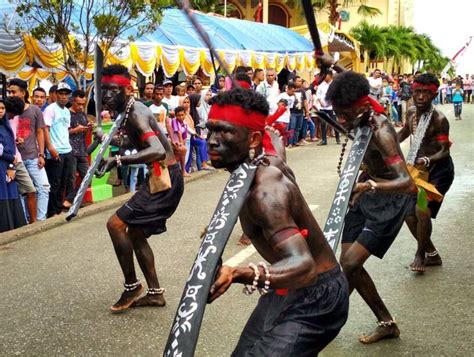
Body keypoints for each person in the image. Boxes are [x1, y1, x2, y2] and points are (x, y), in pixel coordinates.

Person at [207, 87, 349, 356]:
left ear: (253, 139)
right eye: (210, 130)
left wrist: (238, 272)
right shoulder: (259, 162)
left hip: (317, 297)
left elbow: (304, 265)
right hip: (287, 288)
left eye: (224, 131)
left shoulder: (266, 193)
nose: (212, 141)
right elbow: (277, 151)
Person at [320, 54, 417, 344]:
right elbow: (350, 81)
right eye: (337, 113)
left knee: (348, 264)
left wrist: (371, 185)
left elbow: (407, 183)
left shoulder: (382, 132)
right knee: (348, 262)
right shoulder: (361, 102)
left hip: (388, 199)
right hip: (365, 192)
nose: (340, 120)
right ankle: (337, 314)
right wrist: (329, 62)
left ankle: (380, 321)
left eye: (345, 115)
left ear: (362, 108)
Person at [96, 64, 184, 312]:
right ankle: (155, 294)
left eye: (114, 90)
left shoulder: (135, 112)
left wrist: (117, 160)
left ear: (128, 89)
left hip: (166, 179)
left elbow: (155, 150)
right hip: (160, 177)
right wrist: (107, 140)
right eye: (104, 90)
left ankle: (132, 286)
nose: (107, 96)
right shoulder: (127, 112)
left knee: (115, 224)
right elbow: (132, 141)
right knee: (133, 231)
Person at [398, 73, 454, 272]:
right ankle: (431, 254)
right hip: (418, 171)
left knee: (421, 210)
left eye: (426, 93)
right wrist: (387, 144)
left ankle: (419, 254)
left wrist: (428, 159)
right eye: (417, 92)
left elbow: (444, 150)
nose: (421, 97)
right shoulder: (411, 112)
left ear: (434, 95)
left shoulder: (439, 119)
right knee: (408, 215)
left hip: (439, 172)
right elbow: (405, 132)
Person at [7, 78, 49, 222]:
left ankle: (40, 220)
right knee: (21, 193)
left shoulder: (34, 110)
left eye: (13, 91)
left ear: (23, 93)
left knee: (43, 188)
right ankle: (25, 221)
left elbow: (40, 132)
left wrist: (41, 154)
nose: (10, 94)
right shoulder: (5, 111)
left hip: (32, 156)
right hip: (14, 159)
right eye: (9, 91)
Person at [43, 82, 74, 217]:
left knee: (64, 182)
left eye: (65, 94)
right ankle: (52, 212)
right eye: (60, 94)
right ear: (55, 95)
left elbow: (65, 130)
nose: (63, 97)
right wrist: (50, 148)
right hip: (55, 151)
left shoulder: (67, 111)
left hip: (67, 150)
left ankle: (58, 209)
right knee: (54, 183)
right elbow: (45, 129)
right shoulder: (50, 109)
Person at [0, 98, 27, 232]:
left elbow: (9, 147)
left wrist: (11, 165)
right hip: (3, 164)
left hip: (8, 165)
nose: (0, 111)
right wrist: (11, 159)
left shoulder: (6, 126)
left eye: (2, 108)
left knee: (9, 192)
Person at [63, 90, 91, 209]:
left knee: (88, 177)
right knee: (71, 178)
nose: (80, 107)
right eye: (78, 104)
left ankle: (70, 200)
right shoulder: (66, 114)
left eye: (83, 104)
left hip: (82, 150)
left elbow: (83, 133)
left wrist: (88, 128)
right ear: (72, 101)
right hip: (70, 150)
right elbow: (61, 133)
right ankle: (71, 204)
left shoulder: (83, 114)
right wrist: (75, 130)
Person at [315, 72, 340, 145]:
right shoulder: (321, 85)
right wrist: (320, 102)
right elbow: (318, 95)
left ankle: (338, 139)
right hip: (322, 107)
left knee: (334, 123)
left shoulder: (334, 85)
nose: (324, 77)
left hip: (331, 107)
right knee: (323, 123)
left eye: (325, 75)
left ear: (330, 76)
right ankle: (324, 140)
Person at [170, 106, 189, 177]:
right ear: (175, 115)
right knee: (177, 159)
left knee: (182, 158)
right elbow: (179, 133)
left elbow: (184, 136)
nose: (180, 117)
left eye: (182, 115)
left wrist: (183, 144)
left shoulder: (185, 123)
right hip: (174, 143)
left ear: (185, 114)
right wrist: (182, 145)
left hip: (181, 143)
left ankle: (182, 171)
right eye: (178, 115)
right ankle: (182, 172)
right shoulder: (174, 121)